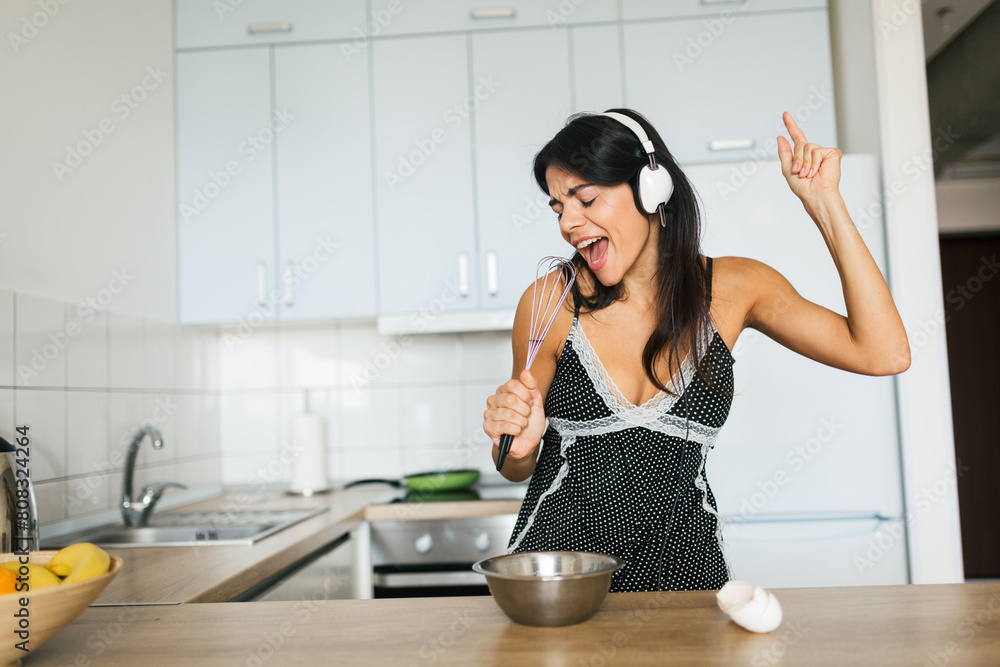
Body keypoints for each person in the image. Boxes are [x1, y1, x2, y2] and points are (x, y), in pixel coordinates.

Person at [481, 108, 910, 593]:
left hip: (687, 580)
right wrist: (519, 445)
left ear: (651, 189)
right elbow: (516, 464)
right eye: (558, 207)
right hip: (561, 583)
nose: (568, 224)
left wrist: (825, 203)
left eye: (585, 199)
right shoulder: (549, 303)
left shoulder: (735, 287)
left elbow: (884, 353)